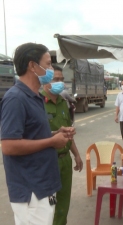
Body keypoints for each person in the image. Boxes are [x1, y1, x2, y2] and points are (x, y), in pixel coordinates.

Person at [0, 43, 74, 225]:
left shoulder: (35, 97)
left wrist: (57, 133)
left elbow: (31, 134)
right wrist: (51, 142)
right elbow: (8, 145)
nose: (50, 69)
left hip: (43, 185)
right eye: (48, 64)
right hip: (31, 190)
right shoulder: (16, 99)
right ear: (32, 66)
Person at [41, 64, 83, 225]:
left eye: (62, 80)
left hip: (65, 160)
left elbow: (68, 134)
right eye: (56, 79)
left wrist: (76, 155)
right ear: (45, 81)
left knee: (63, 202)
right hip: (48, 160)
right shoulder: (38, 103)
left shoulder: (63, 102)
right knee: (48, 203)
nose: (60, 83)